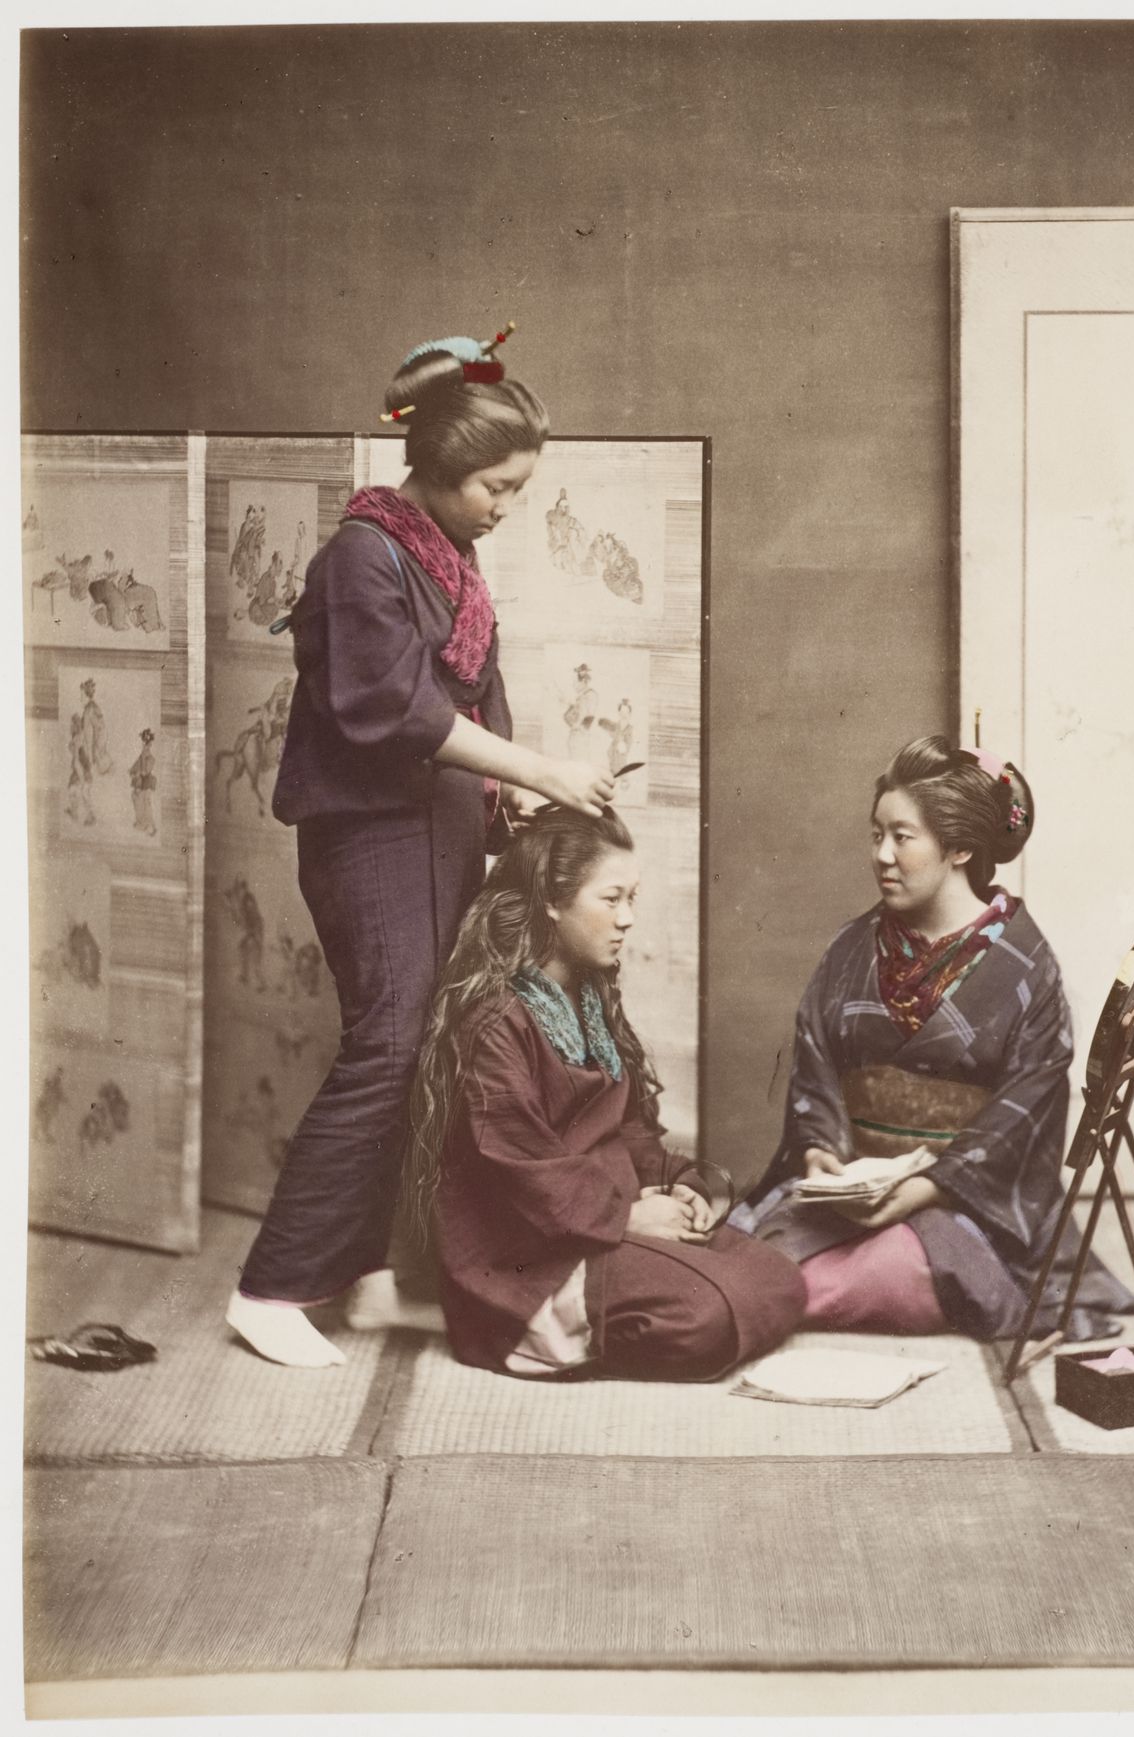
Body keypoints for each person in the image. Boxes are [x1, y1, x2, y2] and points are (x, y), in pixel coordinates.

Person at [227, 332, 616, 1369]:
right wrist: (536, 771)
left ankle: (357, 1268)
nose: (504, 506)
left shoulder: (450, 557)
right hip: (367, 835)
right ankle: (270, 1287)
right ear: (439, 470)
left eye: (515, 489)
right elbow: (389, 708)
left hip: (435, 829)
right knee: (391, 1044)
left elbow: (471, 701)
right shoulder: (361, 553)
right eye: (496, 485)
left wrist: (505, 809)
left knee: (426, 1047)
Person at [735, 734, 1134, 1344]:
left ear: (960, 849)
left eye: (903, 837)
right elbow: (815, 1070)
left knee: (898, 1266)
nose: (882, 856)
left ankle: (800, 1289)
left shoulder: (1027, 968)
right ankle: (789, 1281)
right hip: (854, 1188)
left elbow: (1021, 1116)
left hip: (961, 1202)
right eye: (876, 835)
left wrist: (921, 1190)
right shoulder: (850, 949)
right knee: (746, 1248)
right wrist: (821, 1151)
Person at [407, 806, 806, 1380]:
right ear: (552, 901)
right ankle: (546, 1330)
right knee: (709, 1314)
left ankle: (632, 1293)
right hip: (529, 1258)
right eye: (611, 899)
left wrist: (676, 1183)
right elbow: (523, 1169)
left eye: (632, 900)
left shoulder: (591, 997)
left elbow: (626, 1129)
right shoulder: (494, 1023)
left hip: (605, 1219)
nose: (627, 920)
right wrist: (627, 1218)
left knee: (781, 1280)